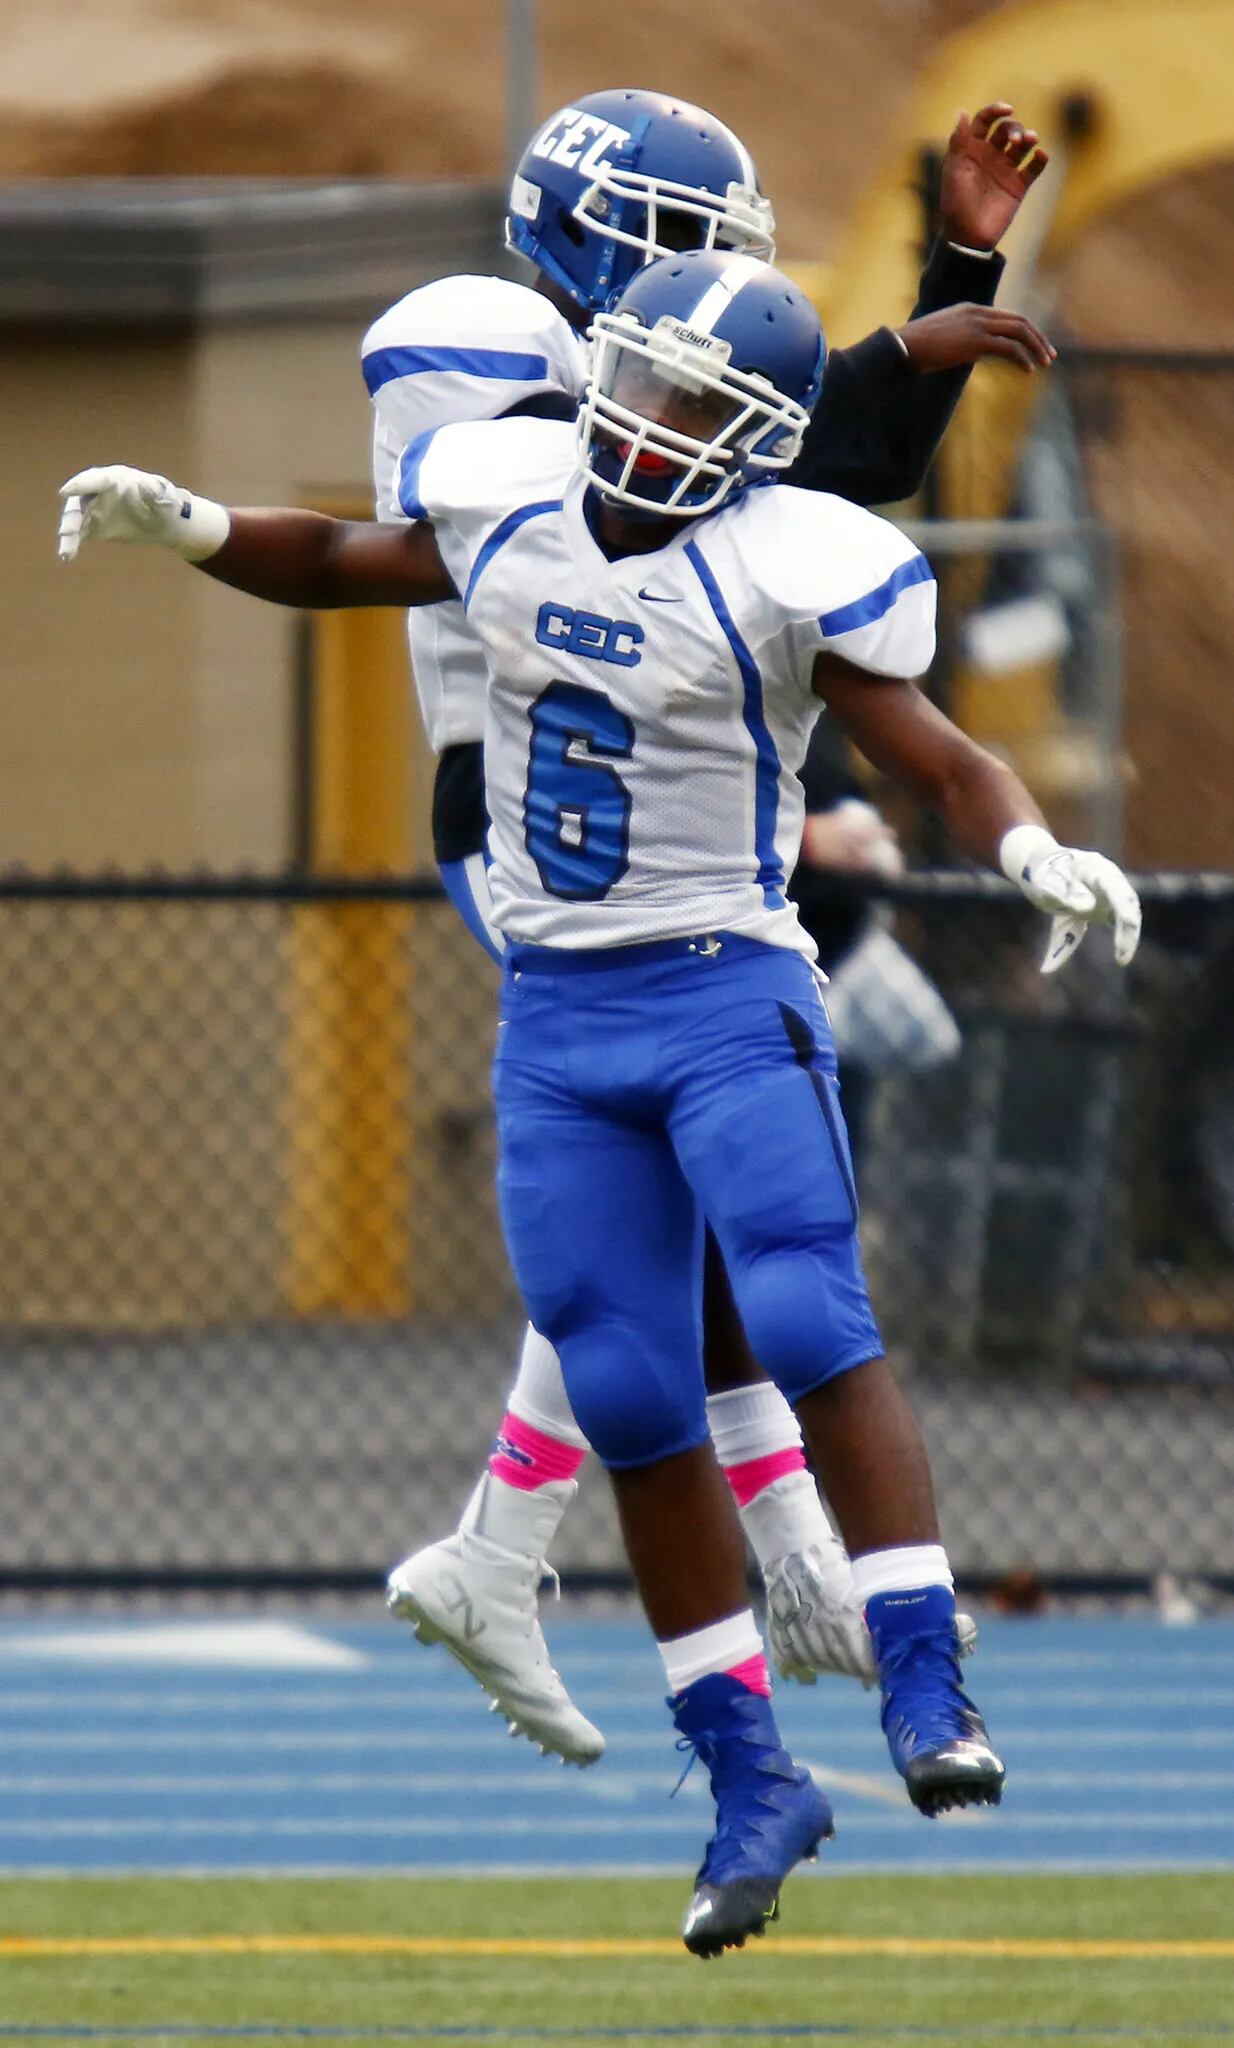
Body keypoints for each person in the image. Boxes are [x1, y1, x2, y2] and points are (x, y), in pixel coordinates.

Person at [57, 250, 1138, 1957]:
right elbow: (343, 556)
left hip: (719, 986)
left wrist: (1027, 842)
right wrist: (192, 524)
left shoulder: (784, 570)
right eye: (633, 380)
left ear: (758, 443)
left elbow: (936, 748)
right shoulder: (507, 500)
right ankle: (745, 1785)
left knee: (794, 1303)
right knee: (630, 1389)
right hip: (559, 1020)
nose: (645, 422)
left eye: (694, 405)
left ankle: (923, 1686)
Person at [356, 88, 1052, 1752]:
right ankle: (673, 1550)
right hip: (543, 824)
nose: (705, 297)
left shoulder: (630, 395)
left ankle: (555, 1551)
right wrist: (890, 342)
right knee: (659, 1213)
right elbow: (679, 464)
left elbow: (793, 458)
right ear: (604, 234)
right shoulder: (482, 344)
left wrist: (945, 271)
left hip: (634, 821)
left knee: (700, 1207)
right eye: (688, 253)